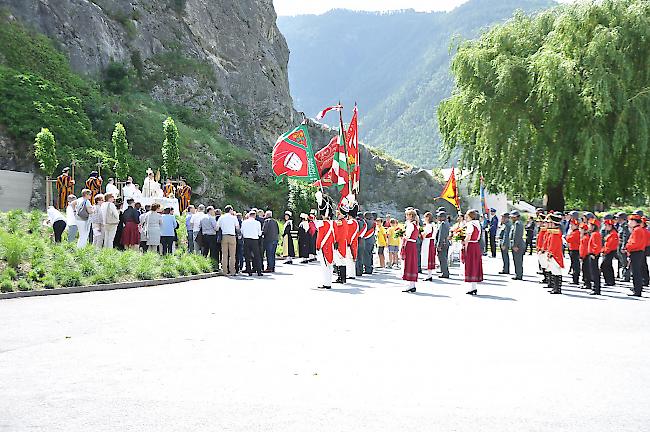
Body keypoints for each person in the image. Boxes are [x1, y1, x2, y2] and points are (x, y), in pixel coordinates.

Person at [624, 213, 646, 297]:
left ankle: (637, 290)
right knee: (636, 271)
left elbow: (634, 242)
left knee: (636, 272)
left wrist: (627, 248)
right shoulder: (638, 229)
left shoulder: (637, 230)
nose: (628, 222)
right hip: (637, 252)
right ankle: (637, 289)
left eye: (630, 221)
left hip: (636, 252)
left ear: (634, 221)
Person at [463, 209, 484, 295]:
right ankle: (473, 287)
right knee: (474, 265)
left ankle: (473, 287)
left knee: (471, 265)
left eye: (467, 216)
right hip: (476, 245)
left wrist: (465, 245)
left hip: (471, 245)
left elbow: (468, 237)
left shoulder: (471, 224)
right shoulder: (478, 223)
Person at [401, 208, 420, 293]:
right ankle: (412, 285)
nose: (406, 216)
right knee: (412, 263)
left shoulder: (410, 225)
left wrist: (402, 236)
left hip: (409, 244)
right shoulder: (416, 224)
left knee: (409, 263)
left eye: (407, 215)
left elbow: (407, 236)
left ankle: (410, 285)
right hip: (413, 245)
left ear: (410, 216)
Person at [217, 205, 240, 276]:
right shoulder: (234, 218)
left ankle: (224, 271)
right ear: (230, 210)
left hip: (224, 236)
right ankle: (232, 271)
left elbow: (217, 228)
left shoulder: (221, 217)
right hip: (232, 236)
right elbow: (237, 227)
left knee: (224, 254)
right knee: (232, 255)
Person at [546, 213, 565, 294]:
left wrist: (550, 253)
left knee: (556, 271)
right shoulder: (554, 232)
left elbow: (553, 245)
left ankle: (557, 288)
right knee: (554, 271)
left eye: (551, 222)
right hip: (555, 254)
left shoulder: (555, 233)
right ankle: (555, 287)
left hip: (555, 255)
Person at [241, 210, 264, 276]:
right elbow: (259, 233)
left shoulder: (244, 222)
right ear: (254, 215)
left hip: (246, 240)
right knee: (257, 256)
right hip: (254, 240)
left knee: (247, 256)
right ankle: (259, 271)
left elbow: (242, 231)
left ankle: (249, 271)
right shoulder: (257, 223)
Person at [600, 215, 619, 286]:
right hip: (608, 251)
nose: (605, 227)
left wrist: (604, 251)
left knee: (605, 265)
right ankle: (609, 281)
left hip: (609, 252)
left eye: (606, 225)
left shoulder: (613, 234)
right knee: (608, 266)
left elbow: (610, 245)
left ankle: (609, 280)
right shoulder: (610, 233)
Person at [333, 207, 349, 284]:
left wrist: (336, 241)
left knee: (340, 260)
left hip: (340, 242)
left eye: (338, 213)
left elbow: (338, 233)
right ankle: (341, 277)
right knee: (340, 261)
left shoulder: (340, 222)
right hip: (342, 242)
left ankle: (341, 278)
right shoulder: (343, 221)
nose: (337, 214)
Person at [587, 217, 602, 295]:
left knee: (594, 272)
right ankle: (595, 288)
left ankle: (596, 288)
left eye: (590, 225)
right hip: (593, 254)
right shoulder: (594, 234)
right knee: (593, 271)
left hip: (593, 255)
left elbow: (597, 245)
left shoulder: (595, 234)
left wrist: (593, 253)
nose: (588, 226)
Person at [421, 211, 437, 281]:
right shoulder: (433, 225)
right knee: (430, 257)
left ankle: (429, 275)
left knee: (428, 257)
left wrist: (420, 234)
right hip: (431, 241)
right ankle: (429, 274)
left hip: (428, 242)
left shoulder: (428, 226)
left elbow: (424, 235)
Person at [509, 210, 525, 280]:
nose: (511, 218)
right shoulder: (517, 223)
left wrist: (515, 245)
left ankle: (518, 275)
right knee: (517, 260)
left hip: (518, 245)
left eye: (512, 217)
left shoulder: (517, 223)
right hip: (518, 244)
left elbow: (517, 235)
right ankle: (518, 274)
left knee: (518, 260)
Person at [346, 205, 360, 279]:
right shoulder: (354, 222)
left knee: (349, 259)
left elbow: (349, 234)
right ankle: (351, 274)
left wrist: (348, 242)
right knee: (351, 259)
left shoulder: (351, 222)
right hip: (354, 241)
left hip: (350, 242)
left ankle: (350, 274)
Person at [566, 219, 581, 285]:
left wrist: (568, 236)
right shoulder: (574, 232)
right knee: (574, 264)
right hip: (573, 249)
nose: (571, 226)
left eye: (572, 225)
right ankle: (574, 278)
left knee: (575, 265)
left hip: (575, 250)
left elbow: (569, 239)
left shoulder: (576, 232)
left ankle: (575, 279)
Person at [616, 212, 630, 282]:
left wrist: (624, 247)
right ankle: (623, 275)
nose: (616, 219)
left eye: (617, 218)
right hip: (619, 244)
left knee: (624, 262)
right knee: (621, 261)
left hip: (622, 245)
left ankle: (626, 276)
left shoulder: (625, 226)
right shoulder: (620, 226)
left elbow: (625, 236)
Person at [436, 210, 450, 278]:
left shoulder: (443, 224)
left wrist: (439, 245)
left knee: (442, 259)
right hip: (446, 243)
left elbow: (441, 236)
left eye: (439, 216)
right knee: (444, 258)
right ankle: (444, 271)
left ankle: (444, 273)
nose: (438, 218)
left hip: (443, 244)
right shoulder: (447, 223)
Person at [579, 222, 591, 290]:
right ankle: (586, 283)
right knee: (585, 270)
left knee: (585, 270)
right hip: (585, 256)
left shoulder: (585, 238)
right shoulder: (585, 237)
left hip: (585, 256)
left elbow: (584, 249)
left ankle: (587, 283)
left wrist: (582, 256)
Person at [355, 211, 367, 276]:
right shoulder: (364, 223)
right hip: (363, 240)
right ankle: (361, 270)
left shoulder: (356, 222)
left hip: (357, 240)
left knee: (356, 256)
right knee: (361, 257)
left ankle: (357, 270)